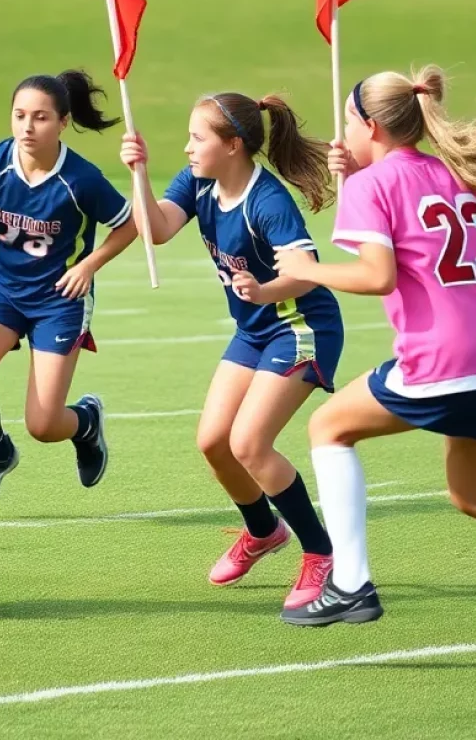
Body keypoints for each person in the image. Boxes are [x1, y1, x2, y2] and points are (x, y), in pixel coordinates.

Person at [275, 67, 476, 627]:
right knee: (474, 493)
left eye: (348, 121)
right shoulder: (462, 173)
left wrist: (309, 269)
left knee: (328, 428)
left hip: (445, 356)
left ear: (371, 126)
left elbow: (377, 274)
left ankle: (350, 583)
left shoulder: (376, 184)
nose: (342, 133)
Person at [119, 93, 341, 613]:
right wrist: (140, 172)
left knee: (250, 444)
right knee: (214, 442)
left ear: (233, 145)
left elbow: (305, 271)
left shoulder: (268, 202)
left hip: (300, 326)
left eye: (199, 138)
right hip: (256, 329)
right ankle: (264, 531)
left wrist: (264, 291)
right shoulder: (198, 181)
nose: (188, 147)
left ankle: (321, 553)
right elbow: (157, 228)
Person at [0, 71, 137, 517]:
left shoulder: (81, 179)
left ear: (63, 123)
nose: (28, 127)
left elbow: (128, 225)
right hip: (2, 290)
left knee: (44, 426)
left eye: (41, 117)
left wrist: (89, 264)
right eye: (20, 115)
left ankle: (85, 424)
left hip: (59, 300)